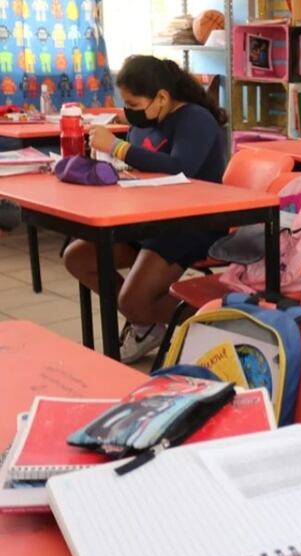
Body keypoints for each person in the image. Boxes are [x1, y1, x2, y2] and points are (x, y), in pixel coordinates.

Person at [63, 55, 228, 363]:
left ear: (162, 98)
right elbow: (140, 165)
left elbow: (180, 167)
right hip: (147, 219)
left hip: (191, 222)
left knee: (134, 299)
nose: (130, 113)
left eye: (134, 104)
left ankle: (225, 327)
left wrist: (117, 147)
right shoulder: (146, 122)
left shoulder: (195, 119)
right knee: (78, 258)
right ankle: (146, 325)